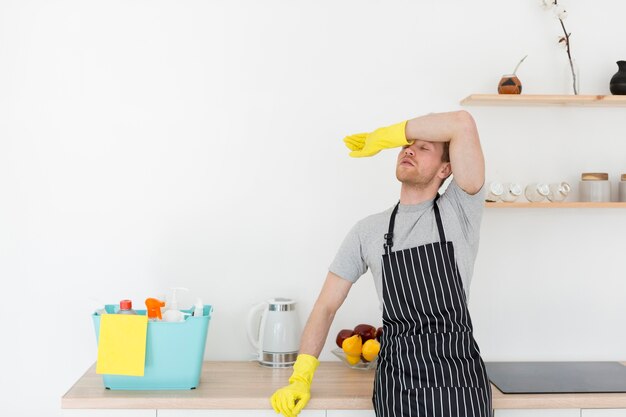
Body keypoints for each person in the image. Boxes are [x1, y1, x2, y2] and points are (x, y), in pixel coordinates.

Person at [270, 110, 492, 417]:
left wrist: (388, 135)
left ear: (445, 169)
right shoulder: (368, 231)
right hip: (398, 388)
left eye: (423, 147)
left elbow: (462, 123)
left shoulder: (461, 209)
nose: (408, 149)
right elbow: (326, 306)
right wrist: (301, 376)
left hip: (459, 386)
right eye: (405, 145)